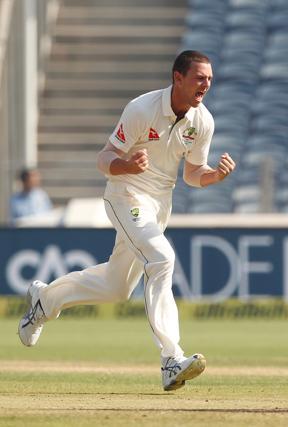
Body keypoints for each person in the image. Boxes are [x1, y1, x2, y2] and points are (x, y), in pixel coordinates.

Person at [17, 50, 236, 392]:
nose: (206, 84)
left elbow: (193, 173)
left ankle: (44, 301)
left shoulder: (203, 121)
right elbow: (104, 158)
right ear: (177, 77)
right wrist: (128, 167)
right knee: (162, 259)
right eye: (199, 77)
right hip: (126, 195)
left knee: (116, 288)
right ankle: (171, 358)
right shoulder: (142, 109)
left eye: (209, 78)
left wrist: (214, 177)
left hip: (160, 205)